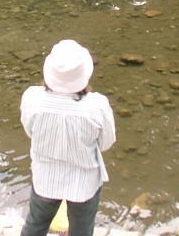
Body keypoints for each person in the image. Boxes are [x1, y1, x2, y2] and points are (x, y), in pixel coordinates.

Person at [20, 40, 115, 236]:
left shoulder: (32, 98)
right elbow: (106, 143)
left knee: (35, 225)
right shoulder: (97, 106)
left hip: (45, 177)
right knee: (82, 230)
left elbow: (29, 131)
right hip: (85, 181)